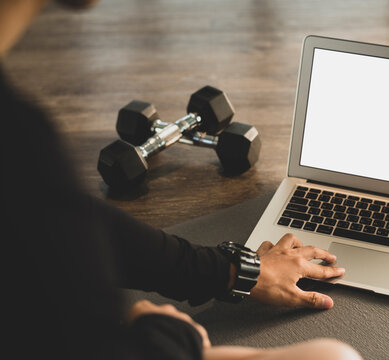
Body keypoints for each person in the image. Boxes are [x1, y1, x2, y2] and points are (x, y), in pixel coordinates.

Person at [1, 0, 362, 359]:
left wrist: (235, 270)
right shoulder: (20, 136)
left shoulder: (19, 140)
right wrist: (172, 336)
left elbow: (62, 217)